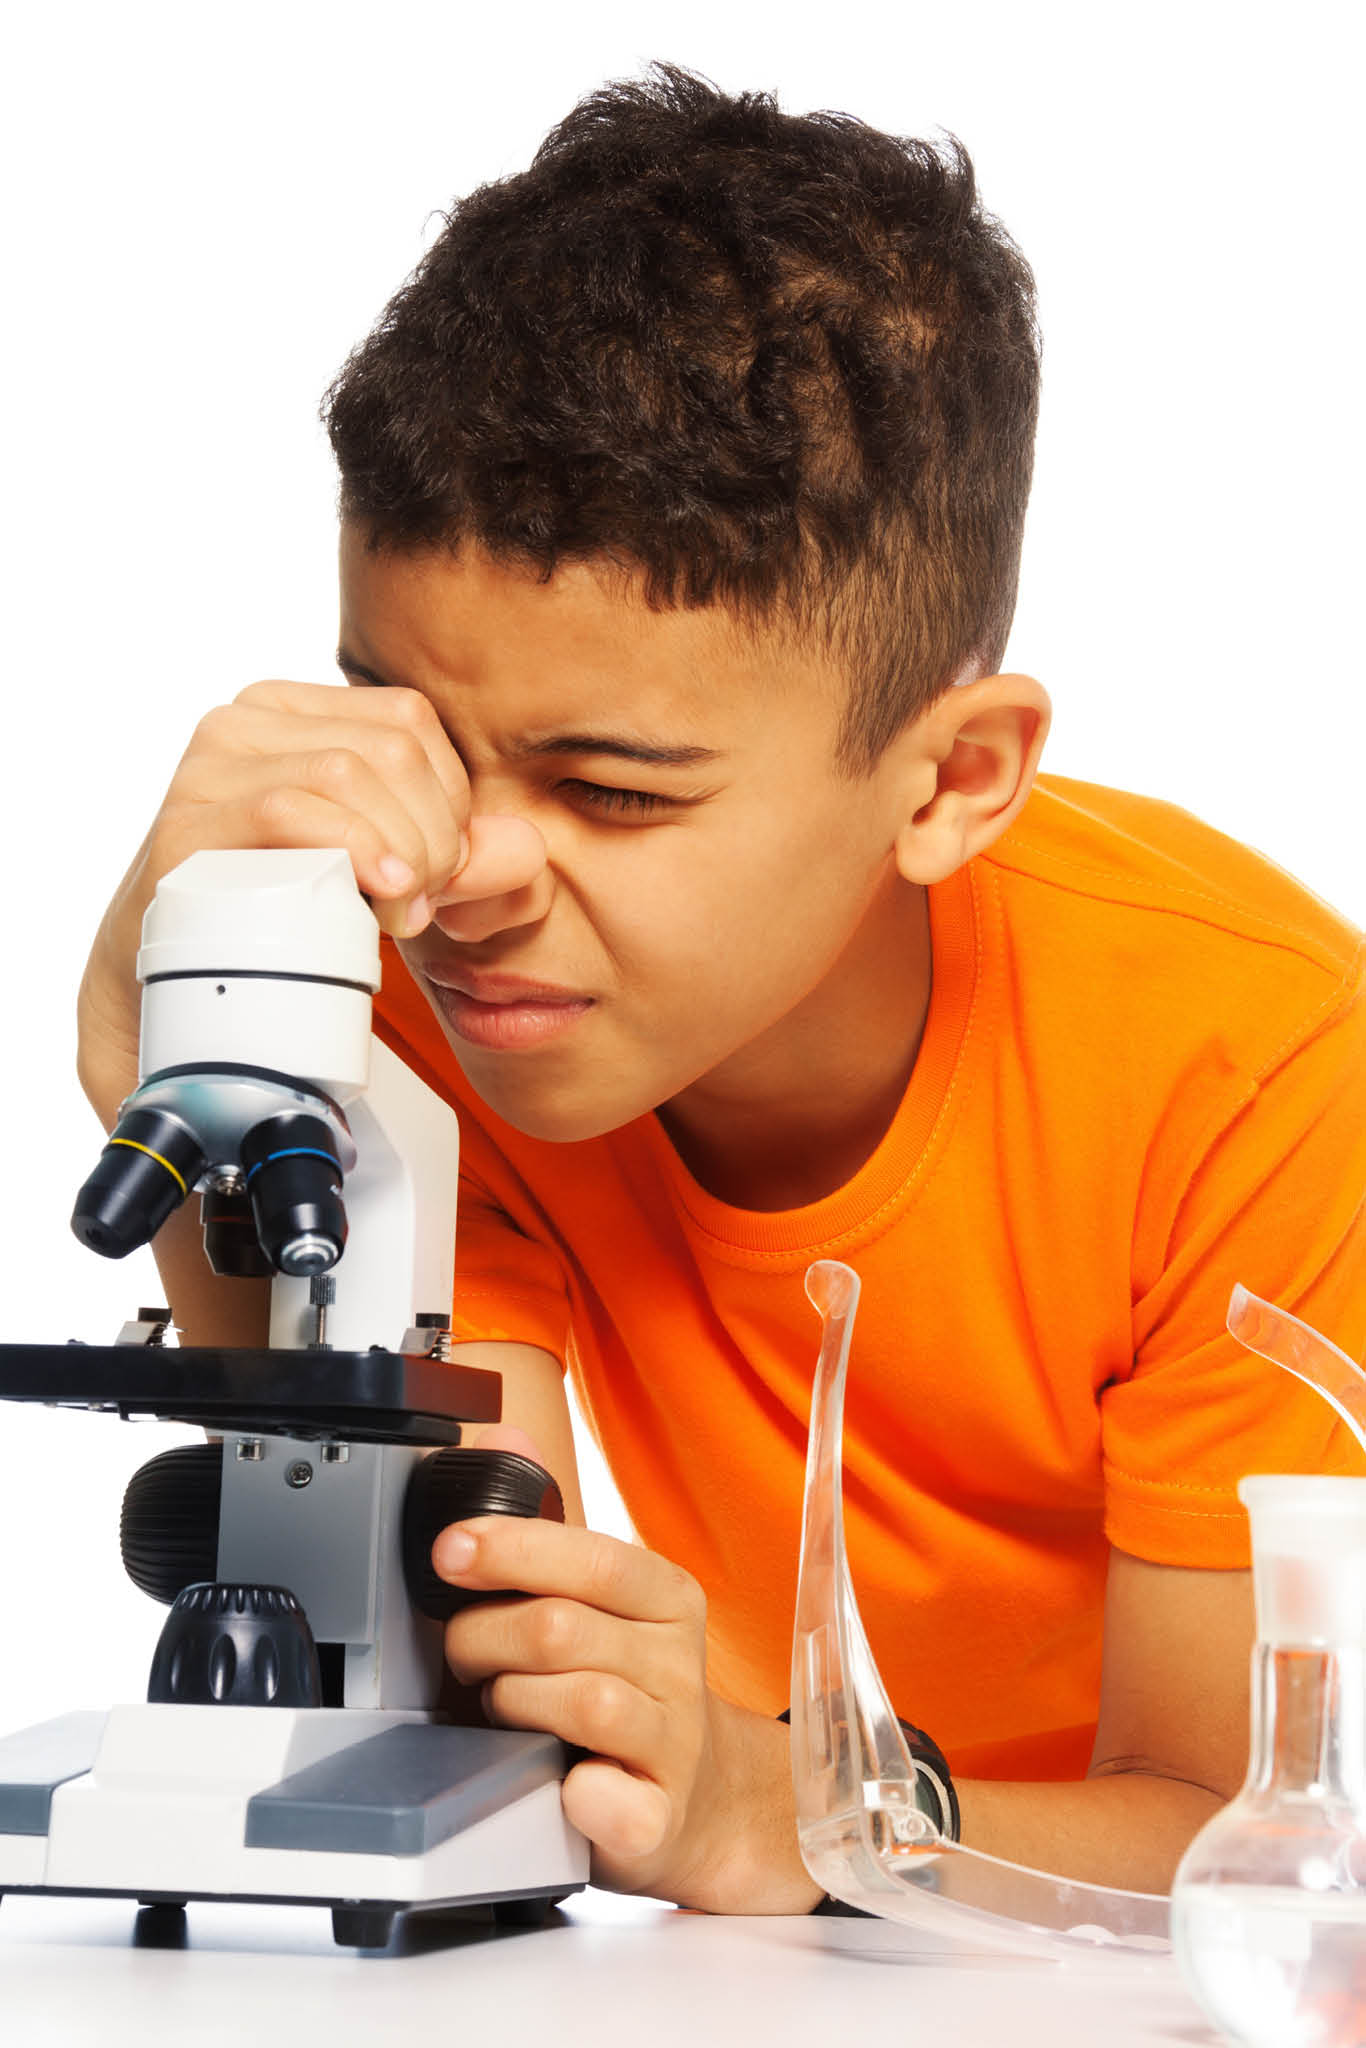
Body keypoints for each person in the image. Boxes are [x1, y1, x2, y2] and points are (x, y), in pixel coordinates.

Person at [76, 63, 1365, 1914]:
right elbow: (442, 1632)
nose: (464, 876)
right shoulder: (444, 998)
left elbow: (1236, 1836)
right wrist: (163, 1004)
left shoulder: (1246, 1060)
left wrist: (797, 1814)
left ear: (947, 779)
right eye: (418, 736)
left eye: (609, 790)